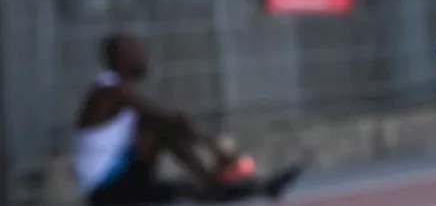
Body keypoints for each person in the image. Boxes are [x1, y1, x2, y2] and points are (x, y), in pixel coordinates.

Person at [72, 33, 307, 205]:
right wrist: (215, 148)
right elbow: (169, 119)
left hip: (120, 180)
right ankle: (218, 182)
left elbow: (172, 123)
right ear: (121, 58)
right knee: (160, 128)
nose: (145, 58)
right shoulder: (111, 92)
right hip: (106, 187)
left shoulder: (119, 91)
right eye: (138, 53)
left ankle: (258, 188)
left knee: (184, 188)